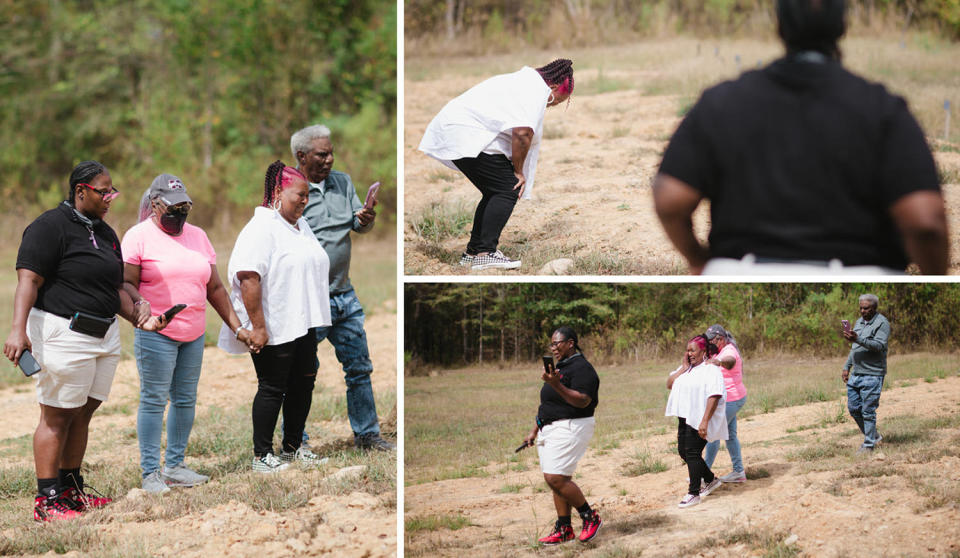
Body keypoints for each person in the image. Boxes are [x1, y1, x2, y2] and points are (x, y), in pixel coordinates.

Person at [653, 0, 947, 275]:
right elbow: (925, 223)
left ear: (780, 24)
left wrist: (699, 260)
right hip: (861, 269)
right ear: (842, 24)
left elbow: (669, 199)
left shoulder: (720, 102)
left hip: (739, 268)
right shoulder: (884, 110)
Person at [3, 161, 163, 521]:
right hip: (62, 333)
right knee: (57, 415)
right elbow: (28, 280)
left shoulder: (105, 233)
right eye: (103, 191)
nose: (110, 198)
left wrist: (140, 315)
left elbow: (116, 287)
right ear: (80, 191)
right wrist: (17, 330)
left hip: (103, 334)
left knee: (83, 412)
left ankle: (71, 490)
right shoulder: (49, 227)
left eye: (112, 191)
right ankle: (47, 501)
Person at [122, 173, 253, 493]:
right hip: (156, 333)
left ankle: (176, 467)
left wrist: (238, 327)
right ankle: (151, 473)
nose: (179, 215)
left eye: (185, 208)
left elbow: (216, 288)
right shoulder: (138, 237)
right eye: (172, 207)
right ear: (154, 204)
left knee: (185, 400)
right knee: (154, 399)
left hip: (193, 334)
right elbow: (125, 284)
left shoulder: (199, 237)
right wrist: (142, 312)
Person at [217, 161, 332, 472]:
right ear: (279, 192)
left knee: (304, 381)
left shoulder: (299, 224)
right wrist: (258, 327)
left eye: (308, 196)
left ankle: (294, 446)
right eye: (300, 196)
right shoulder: (261, 228)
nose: (305, 202)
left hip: (302, 321)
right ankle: (262, 455)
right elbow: (248, 277)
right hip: (274, 324)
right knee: (272, 386)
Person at [291, 124, 394, 451]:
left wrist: (365, 219)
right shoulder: (289, 189)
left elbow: (356, 225)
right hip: (309, 301)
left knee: (359, 368)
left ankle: (367, 436)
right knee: (302, 375)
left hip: (344, 296)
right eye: (322, 154)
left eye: (331, 152)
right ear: (302, 156)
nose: (329, 159)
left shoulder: (342, 182)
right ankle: (296, 442)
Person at [419, 59, 575, 270]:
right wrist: (518, 172)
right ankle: (486, 253)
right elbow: (522, 133)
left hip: (457, 129)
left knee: (494, 190)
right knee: (508, 188)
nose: (552, 105)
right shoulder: (534, 91)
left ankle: (473, 253)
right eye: (556, 101)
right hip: (464, 131)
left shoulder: (526, 82)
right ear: (553, 87)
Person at [521, 327, 602, 545]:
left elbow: (583, 400)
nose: (554, 348)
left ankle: (589, 516)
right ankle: (564, 527)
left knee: (555, 477)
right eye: (552, 345)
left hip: (572, 426)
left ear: (571, 343)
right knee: (558, 479)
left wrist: (556, 384)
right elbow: (547, 404)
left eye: (557, 343)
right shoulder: (561, 368)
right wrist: (534, 430)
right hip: (551, 428)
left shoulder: (582, 368)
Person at [665, 335, 727, 508]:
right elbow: (669, 384)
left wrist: (705, 421)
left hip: (700, 418)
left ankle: (693, 493)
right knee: (683, 452)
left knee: (692, 452)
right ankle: (710, 480)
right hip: (684, 417)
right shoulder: (686, 368)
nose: (689, 353)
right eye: (688, 350)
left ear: (703, 351)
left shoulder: (710, 370)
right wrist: (682, 369)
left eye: (693, 350)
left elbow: (714, 395)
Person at [841, 293, 890, 454]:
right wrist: (847, 366)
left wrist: (858, 339)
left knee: (868, 411)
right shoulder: (859, 322)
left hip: (872, 374)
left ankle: (868, 445)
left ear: (874, 307)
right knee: (854, 408)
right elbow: (855, 348)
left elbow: (879, 346)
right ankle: (874, 436)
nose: (862, 311)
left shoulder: (882, 323)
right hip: (857, 373)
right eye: (861, 308)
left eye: (866, 308)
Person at [703, 324, 747, 483]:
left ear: (720, 339)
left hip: (732, 399)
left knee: (713, 434)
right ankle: (738, 471)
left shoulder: (728, 351)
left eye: (711, 341)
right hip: (732, 399)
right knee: (730, 435)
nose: (709, 344)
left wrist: (718, 362)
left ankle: (704, 474)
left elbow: (730, 361)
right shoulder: (721, 350)